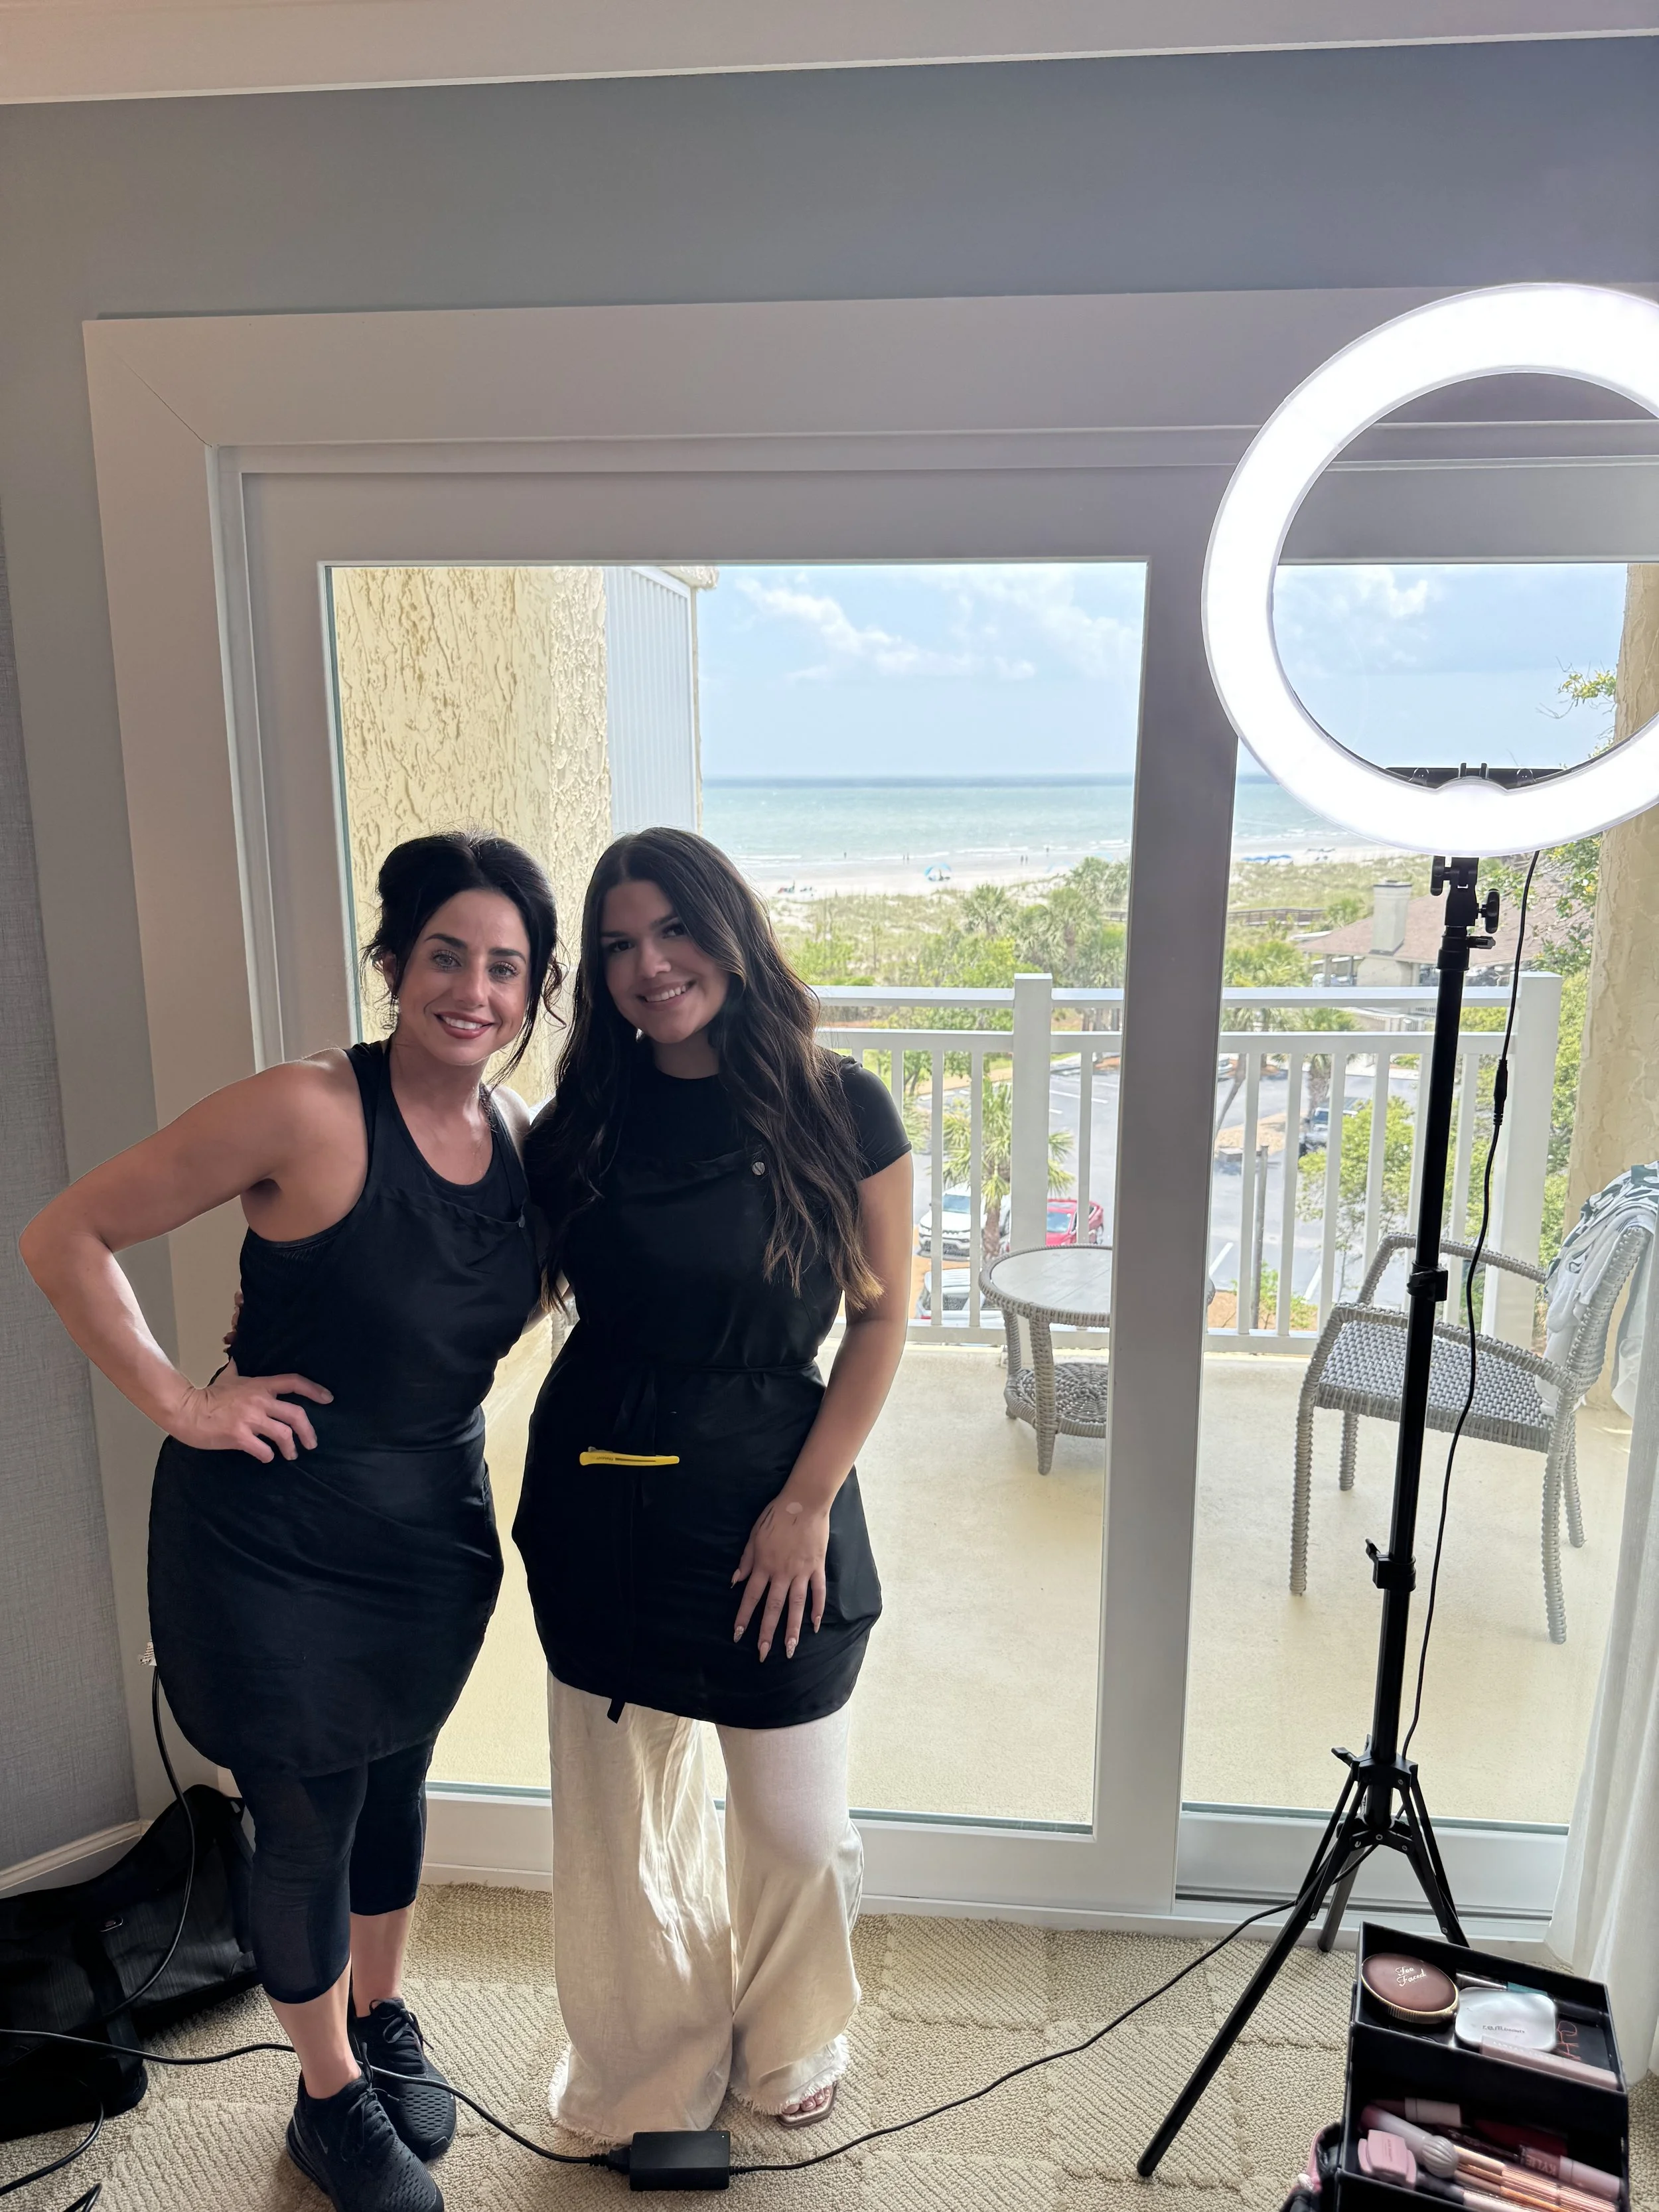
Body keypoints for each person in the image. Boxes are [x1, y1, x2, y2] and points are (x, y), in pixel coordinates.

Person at [21, 832, 558, 2212]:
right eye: (447, 953)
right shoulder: (308, 1106)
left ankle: (379, 2023)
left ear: (536, 988)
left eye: (507, 966)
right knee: (305, 1817)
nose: (475, 990)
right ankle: (326, 2100)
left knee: (395, 1790)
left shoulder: (515, 1146)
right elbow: (67, 1232)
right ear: (394, 960)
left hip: (431, 1530)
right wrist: (179, 1401)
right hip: (275, 1538)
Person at [514, 827, 913, 2142]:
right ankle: (650, 2055)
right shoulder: (578, 1124)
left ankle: (792, 2029)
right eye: (619, 944)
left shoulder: (839, 1101)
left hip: (767, 1495)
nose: (649, 964)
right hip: (597, 1492)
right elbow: (485, 1290)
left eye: (671, 929)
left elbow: (879, 1319)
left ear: (726, 928)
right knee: (618, 1816)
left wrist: (805, 1505)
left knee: (791, 1823)